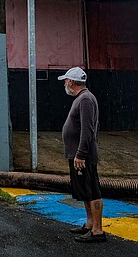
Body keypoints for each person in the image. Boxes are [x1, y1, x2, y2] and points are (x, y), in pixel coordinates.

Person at [58, 66, 106, 243]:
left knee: (92, 191)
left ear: (71, 82)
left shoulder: (85, 99)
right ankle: (89, 224)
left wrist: (81, 154)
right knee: (85, 191)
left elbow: (88, 130)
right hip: (78, 155)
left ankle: (98, 231)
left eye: (66, 81)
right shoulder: (82, 98)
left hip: (83, 156)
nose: (65, 84)